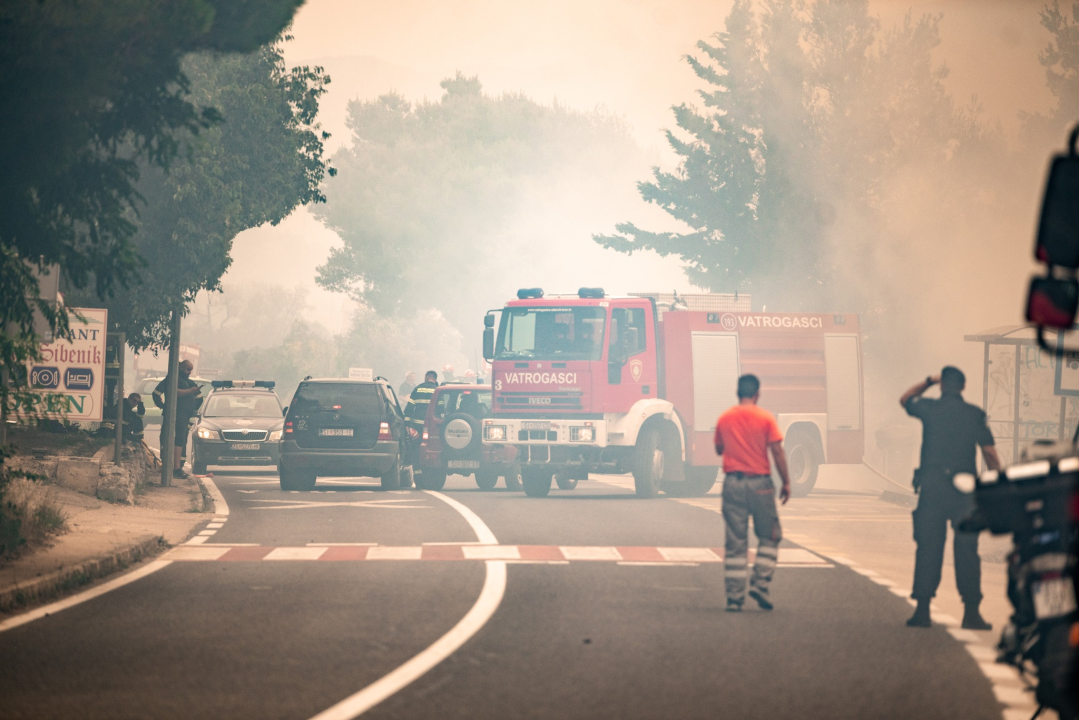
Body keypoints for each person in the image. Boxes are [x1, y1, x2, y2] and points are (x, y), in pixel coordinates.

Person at [901, 366, 1001, 629]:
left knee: (928, 548)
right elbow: (989, 454)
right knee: (967, 550)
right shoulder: (974, 414)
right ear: (963, 387)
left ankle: (922, 611)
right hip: (964, 493)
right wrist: (998, 486)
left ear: (943, 385)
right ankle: (971, 613)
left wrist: (928, 380)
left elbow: (905, 399)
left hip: (932, 489)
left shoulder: (930, 409)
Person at [714, 373, 791, 612]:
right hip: (760, 485)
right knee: (770, 535)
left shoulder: (725, 418)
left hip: (733, 484)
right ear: (757, 394)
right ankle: (760, 583)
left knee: (736, 542)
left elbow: (719, 448)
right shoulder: (765, 418)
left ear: (738, 393)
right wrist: (786, 482)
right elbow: (777, 451)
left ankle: (734, 599)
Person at [153, 359, 203, 480]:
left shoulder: (190, 382)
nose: (189, 372)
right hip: (174, 414)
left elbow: (200, 398)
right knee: (166, 437)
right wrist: (164, 406)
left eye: (191, 370)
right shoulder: (171, 380)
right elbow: (165, 393)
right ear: (181, 368)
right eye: (188, 369)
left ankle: (177, 467)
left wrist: (191, 410)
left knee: (180, 440)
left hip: (184, 416)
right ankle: (170, 467)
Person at [403, 370, 439, 462]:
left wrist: (406, 424)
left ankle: (417, 469)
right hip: (431, 425)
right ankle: (428, 466)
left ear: (426, 377)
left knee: (416, 446)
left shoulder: (417, 388)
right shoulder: (437, 390)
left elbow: (409, 408)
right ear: (435, 379)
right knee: (431, 446)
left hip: (417, 425)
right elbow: (441, 409)